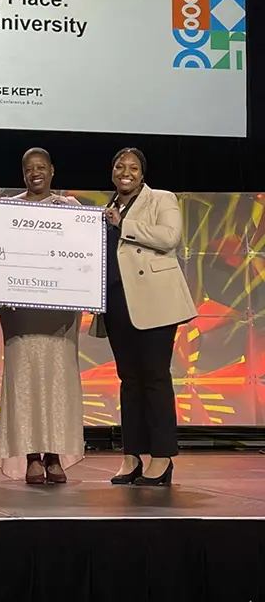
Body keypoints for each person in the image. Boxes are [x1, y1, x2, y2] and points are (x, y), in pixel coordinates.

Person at [91, 147, 197, 486]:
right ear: (112, 172)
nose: (126, 172)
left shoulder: (160, 199)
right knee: (130, 380)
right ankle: (132, 456)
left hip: (155, 302)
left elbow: (170, 237)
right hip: (118, 303)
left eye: (133, 167)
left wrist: (125, 223)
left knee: (154, 377)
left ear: (142, 173)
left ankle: (162, 458)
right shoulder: (108, 208)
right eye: (119, 166)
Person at [0, 148, 85, 484]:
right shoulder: (7, 208)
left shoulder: (70, 208)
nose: (35, 173)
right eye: (29, 168)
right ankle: (32, 456)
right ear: (22, 173)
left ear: (52, 171)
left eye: (41, 167)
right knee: (25, 378)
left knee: (59, 378)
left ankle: (56, 455)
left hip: (60, 309)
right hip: (20, 309)